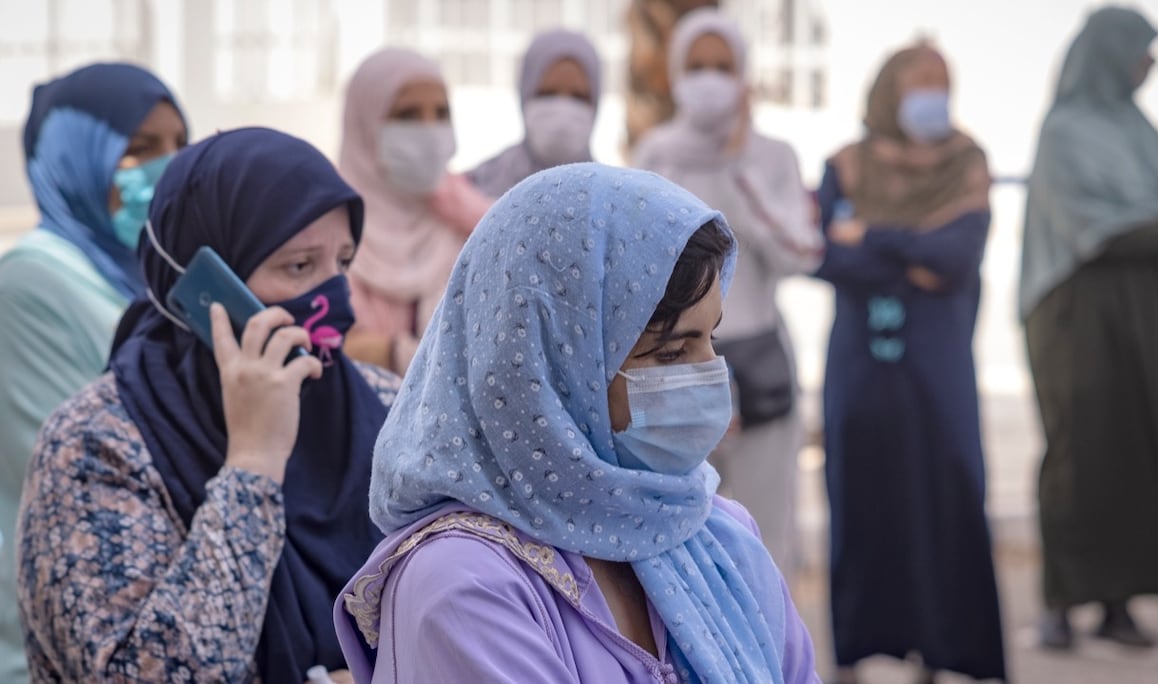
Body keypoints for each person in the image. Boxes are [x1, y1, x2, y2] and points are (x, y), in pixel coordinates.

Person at [334, 163, 820, 683]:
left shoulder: (716, 537)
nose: (709, 375)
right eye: (672, 351)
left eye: (711, 340)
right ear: (550, 372)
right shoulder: (463, 584)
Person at [16, 128, 396, 683]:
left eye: (341, 262)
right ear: (206, 289)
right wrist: (253, 464)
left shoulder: (386, 409)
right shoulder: (94, 445)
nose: (333, 297)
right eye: (298, 267)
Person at [1020, 6, 1158, 650]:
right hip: (1076, 310)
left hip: (1140, 307)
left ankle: (1118, 603)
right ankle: (1060, 603)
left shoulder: (1139, 130)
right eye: (1140, 52)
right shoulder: (1064, 131)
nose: (1149, 66)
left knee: (1137, 448)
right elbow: (1088, 229)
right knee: (1080, 452)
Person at [814, 44, 1004, 684]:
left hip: (939, 372)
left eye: (943, 83)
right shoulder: (846, 165)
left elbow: (956, 256)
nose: (933, 97)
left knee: (946, 499)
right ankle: (854, 657)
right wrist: (909, 256)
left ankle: (939, 653)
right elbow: (826, 259)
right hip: (862, 371)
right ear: (890, 90)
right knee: (861, 502)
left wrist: (870, 235)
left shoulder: (967, 163)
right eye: (921, 84)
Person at [0, 62, 187, 683]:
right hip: (56, 634)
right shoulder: (32, 280)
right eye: (139, 149)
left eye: (179, 145)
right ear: (75, 159)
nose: (168, 165)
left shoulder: (147, 277)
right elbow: (76, 462)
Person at [631, 8, 821, 578]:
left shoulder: (771, 155)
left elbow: (803, 254)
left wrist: (741, 170)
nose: (710, 79)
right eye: (698, 66)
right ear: (675, 72)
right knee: (675, 539)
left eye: (723, 66)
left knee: (767, 541)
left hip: (760, 361)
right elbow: (639, 265)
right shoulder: (656, 153)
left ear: (742, 74)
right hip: (673, 367)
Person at [338, 48, 491, 375]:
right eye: (407, 115)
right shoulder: (327, 233)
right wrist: (394, 353)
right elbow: (320, 347)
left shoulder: (476, 224)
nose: (429, 130)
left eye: (441, 113)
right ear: (363, 123)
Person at [466, 28, 601, 198]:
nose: (562, 111)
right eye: (547, 93)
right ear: (525, 94)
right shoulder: (473, 190)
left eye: (578, 96)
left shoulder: (611, 200)